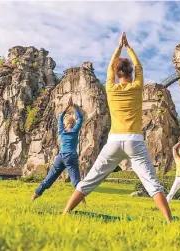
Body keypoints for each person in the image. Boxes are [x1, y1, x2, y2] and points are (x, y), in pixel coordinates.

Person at [62, 32, 172, 222]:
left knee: (89, 180)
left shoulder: (111, 89)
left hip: (113, 141)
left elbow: (110, 70)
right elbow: (139, 66)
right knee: (152, 184)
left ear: (116, 73)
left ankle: (65, 213)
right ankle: (169, 221)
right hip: (134, 141)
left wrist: (118, 48)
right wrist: (128, 47)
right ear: (130, 73)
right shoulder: (137, 87)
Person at [32, 98, 84, 204]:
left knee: (49, 179)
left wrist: (66, 109)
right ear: (73, 123)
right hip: (71, 156)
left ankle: (33, 197)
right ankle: (83, 202)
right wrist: (74, 107)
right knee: (76, 182)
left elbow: (60, 118)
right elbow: (80, 118)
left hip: (60, 157)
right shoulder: (74, 131)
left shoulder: (61, 131)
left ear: (65, 123)